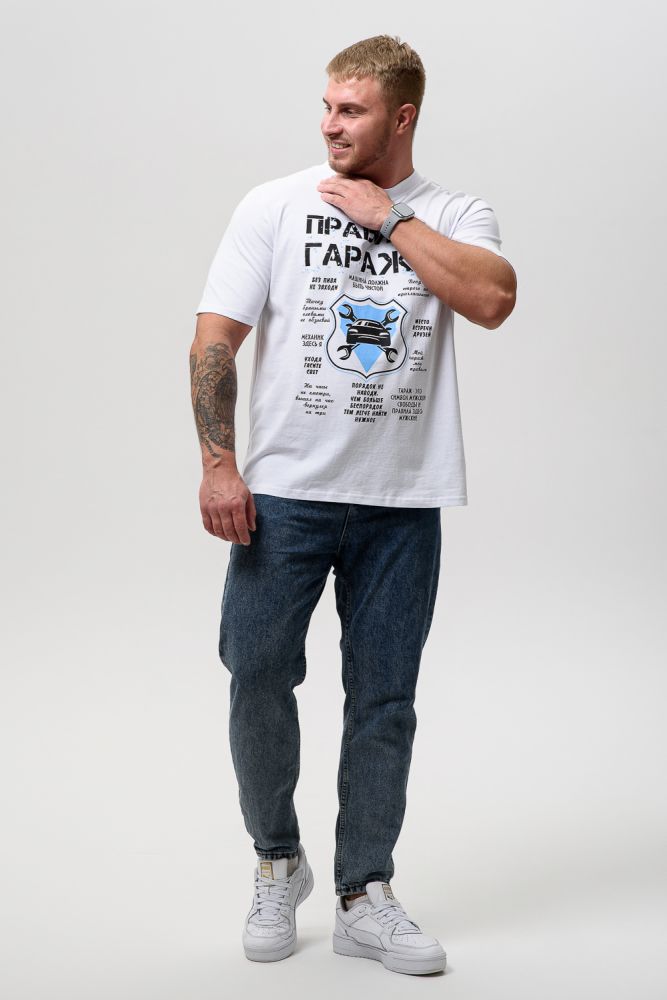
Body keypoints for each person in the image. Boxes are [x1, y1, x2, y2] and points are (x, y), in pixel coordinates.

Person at [190, 34, 516, 976]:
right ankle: (276, 859)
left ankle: (363, 892)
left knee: (383, 701)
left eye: (351, 110)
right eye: (327, 107)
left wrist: (389, 219)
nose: (330, 125)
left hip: (400, 502)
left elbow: (492, 299)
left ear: (401, 117)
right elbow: (213, 339)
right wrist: (220, 465)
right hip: (283, 495)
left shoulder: (452, 212)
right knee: (256, 673)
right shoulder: (274, 204)